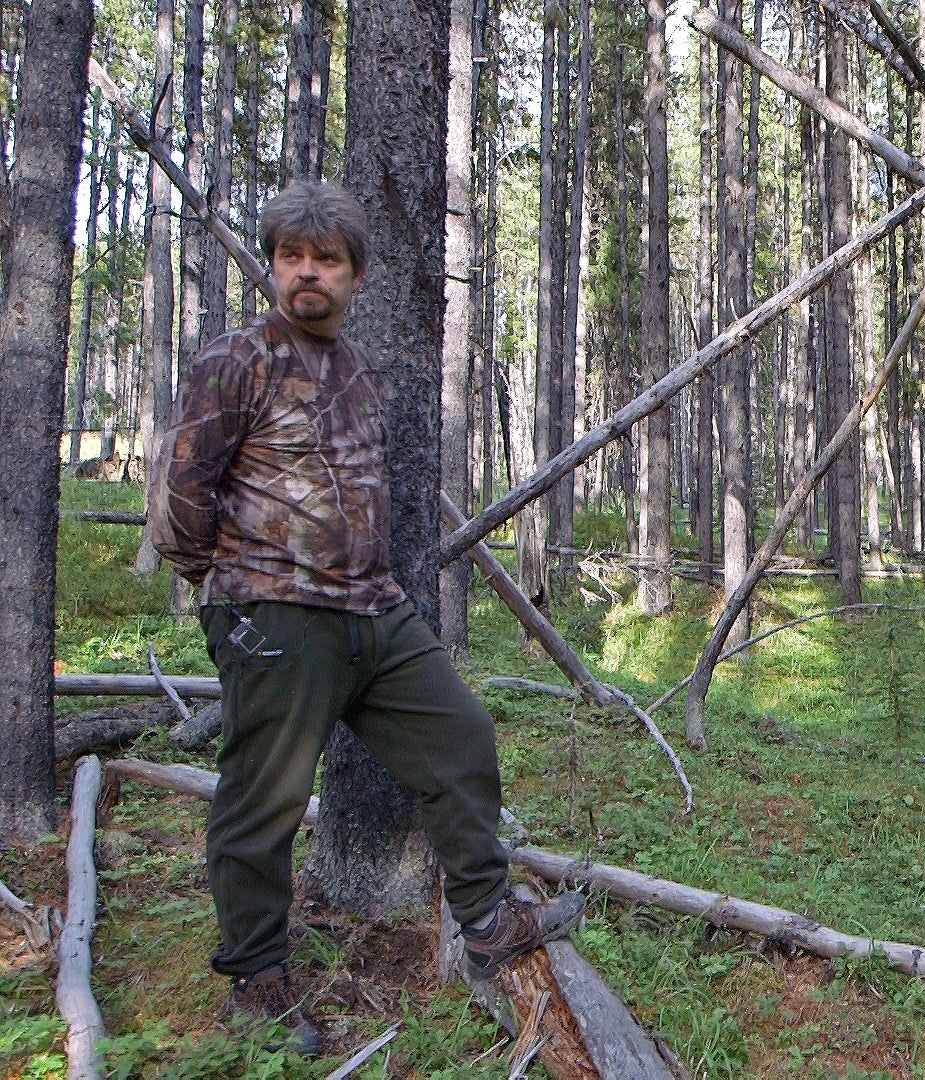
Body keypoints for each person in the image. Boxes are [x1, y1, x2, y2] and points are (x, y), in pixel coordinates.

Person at [149, 181, 582, 1055]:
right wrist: (233, 589)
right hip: (276, 616)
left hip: (372, 612)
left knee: (459, 734)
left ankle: (486, 917)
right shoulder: (238, 359)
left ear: (355, 275)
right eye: (291, 256)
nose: (307, 273)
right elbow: (182, 498)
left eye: (327, 260)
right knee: (262, 803)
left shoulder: (354, 371)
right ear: (273, 264)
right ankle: (258, 981)